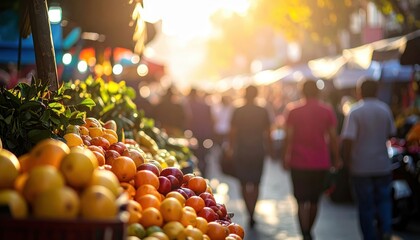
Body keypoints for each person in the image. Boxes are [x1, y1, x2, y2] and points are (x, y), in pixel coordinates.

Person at [281, 80, 341, 240]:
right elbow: (333, 138)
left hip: (298, 161)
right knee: (315, 199)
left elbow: (289, 137)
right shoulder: (326, 111)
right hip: (320, 162)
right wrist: (337, 158)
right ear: (318, 92)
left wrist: (284, 156)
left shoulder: (293, 111)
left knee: (300, 199)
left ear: (302, 92)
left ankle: (304, 232)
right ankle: (309, 231)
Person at [341, 79, 396, 240]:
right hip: (382, 165)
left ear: (359, 92)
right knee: (384, 201)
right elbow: (392, 133)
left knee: (365, 206)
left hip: (361, 166)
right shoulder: (384, 109)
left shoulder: (355, 111)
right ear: (377, 91)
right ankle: (385, 229)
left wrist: (347, 162)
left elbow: (347, 140)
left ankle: (369, 236)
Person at [227, 85, 273, 228]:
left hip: (242, 151)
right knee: (256, 182)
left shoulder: (238, 111)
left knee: (243, 182)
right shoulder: (262, 111)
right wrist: (270, 149)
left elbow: (233, 132)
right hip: (258, 151)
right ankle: (252, 210)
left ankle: (249, 210)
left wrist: (231, 148)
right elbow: (268, 132)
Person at [184, 88, 214, 177]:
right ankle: (204, 174)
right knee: (204, 156)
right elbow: (211, 120)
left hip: (195, 134)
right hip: (205, 133)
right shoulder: (205, 105)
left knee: (195, 155)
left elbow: (188, 119)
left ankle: (197, 174)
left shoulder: (189, 105)